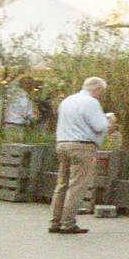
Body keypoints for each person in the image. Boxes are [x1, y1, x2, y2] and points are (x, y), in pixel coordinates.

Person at [48, 77, 113, 235]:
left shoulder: (67, 101)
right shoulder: (91, 102)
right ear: (97, 89)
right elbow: (99, 126)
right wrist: (108, 120)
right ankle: (68, 222)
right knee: (77, 184)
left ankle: (55, 221)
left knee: (62, 183)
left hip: (63, 142)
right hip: (82, 145)